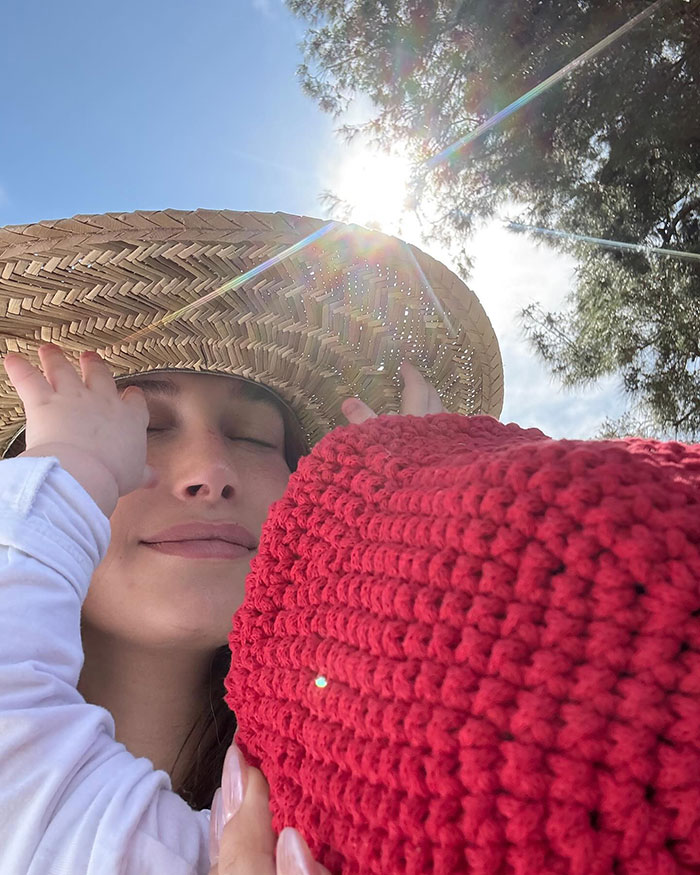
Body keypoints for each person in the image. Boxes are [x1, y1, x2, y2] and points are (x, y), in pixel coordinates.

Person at [0, 209, 502, 874]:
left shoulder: (398, 797)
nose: (210, 473)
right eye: (139, 428)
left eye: (253, 436)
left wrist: (419, 525)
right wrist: (67, 472)